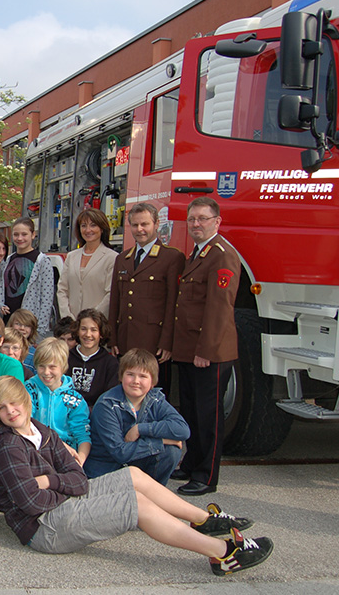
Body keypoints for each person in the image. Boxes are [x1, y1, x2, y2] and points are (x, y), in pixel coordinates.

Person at [0, 376, 273, 576]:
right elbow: (31, 503)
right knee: (135, 504)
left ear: (25, 399)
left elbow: (78, 477)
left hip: (61, 503)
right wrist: (65, 486)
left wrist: (51, 481)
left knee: (132, 475)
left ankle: (204, 520)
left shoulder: (41, 431)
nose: (11, 411)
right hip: (44, 528)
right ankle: (223, 553)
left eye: (15, 402)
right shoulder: (8, 445)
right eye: (2, 407)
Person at [172, 197, 241, 496]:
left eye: (202, 218)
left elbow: (219, 309)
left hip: (209, 352)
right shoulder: (198, 254)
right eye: (192, 219)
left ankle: (206, 475)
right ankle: (191, 463)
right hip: (190, 349)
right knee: (190, 410)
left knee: (207, 416)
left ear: (217, 221)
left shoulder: (222, 255)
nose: (196, 224)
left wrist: (206, 351)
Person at [108, 203, 185, 396]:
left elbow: (172, 303)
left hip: (154, 344)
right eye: (135, 225)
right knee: (126, 393)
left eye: (145, 224)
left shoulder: (171, 257)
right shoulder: (123, 258)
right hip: (126, 342)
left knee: (155, 397)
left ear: (157, 224)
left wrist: (167, 342)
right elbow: (116, 301)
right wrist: (113, 338)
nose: (139, 230)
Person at [85, 348, 189, 486]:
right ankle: (144, 495)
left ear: (153, 382)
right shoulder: (107, 404)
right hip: (106, 468)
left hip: (132, 463)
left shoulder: (155, 399)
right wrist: (160, 441)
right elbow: (119, 452)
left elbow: (183, 430)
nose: (136, 381)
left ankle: (152, 494)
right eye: (130, 374)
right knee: (164, 447)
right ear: (121, 376)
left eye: (143, 376)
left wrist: (141, 429)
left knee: (171, 452)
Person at [24, 338, 90, 464]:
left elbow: (83, 435)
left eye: (52, 367)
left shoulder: (75, 400)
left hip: (65, 457)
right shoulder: (28, 390)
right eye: (41, 366)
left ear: (63, 367)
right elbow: (26, 424)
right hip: (34, 453)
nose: (46, 372)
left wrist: (80, 459)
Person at [57, 209, 118, 319]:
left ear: (102, 228)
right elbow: (62, 290)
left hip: (97, 324)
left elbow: (111, 294)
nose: (88, 230)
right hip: (71, 324)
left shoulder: (112, 257)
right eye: (84, 226)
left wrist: (90, 319)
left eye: (93, 225)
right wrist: (68, 317)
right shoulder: (71, 256)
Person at [0, 218, 55, 333]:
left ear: (33, 235)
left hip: (27, 325)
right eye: (16, 234)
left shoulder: (42, 260)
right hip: (7, 322)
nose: (20, 238)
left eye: (24, 234)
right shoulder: (8, 259)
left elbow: (47, 297)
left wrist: (40, 329)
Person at [67, 308, 119, 408]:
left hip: (96, 414)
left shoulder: (110, 363)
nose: (88, 334)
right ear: (77, 331)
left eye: (93, 330)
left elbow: (110, 397)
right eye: (83, 329)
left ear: (101, 334)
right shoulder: (66, 357)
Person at [7, 308, 39, 372]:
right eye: (18, 324)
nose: (22, 328)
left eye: (27, 325)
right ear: (11, 325)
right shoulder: (2, 347)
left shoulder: (35, 354)